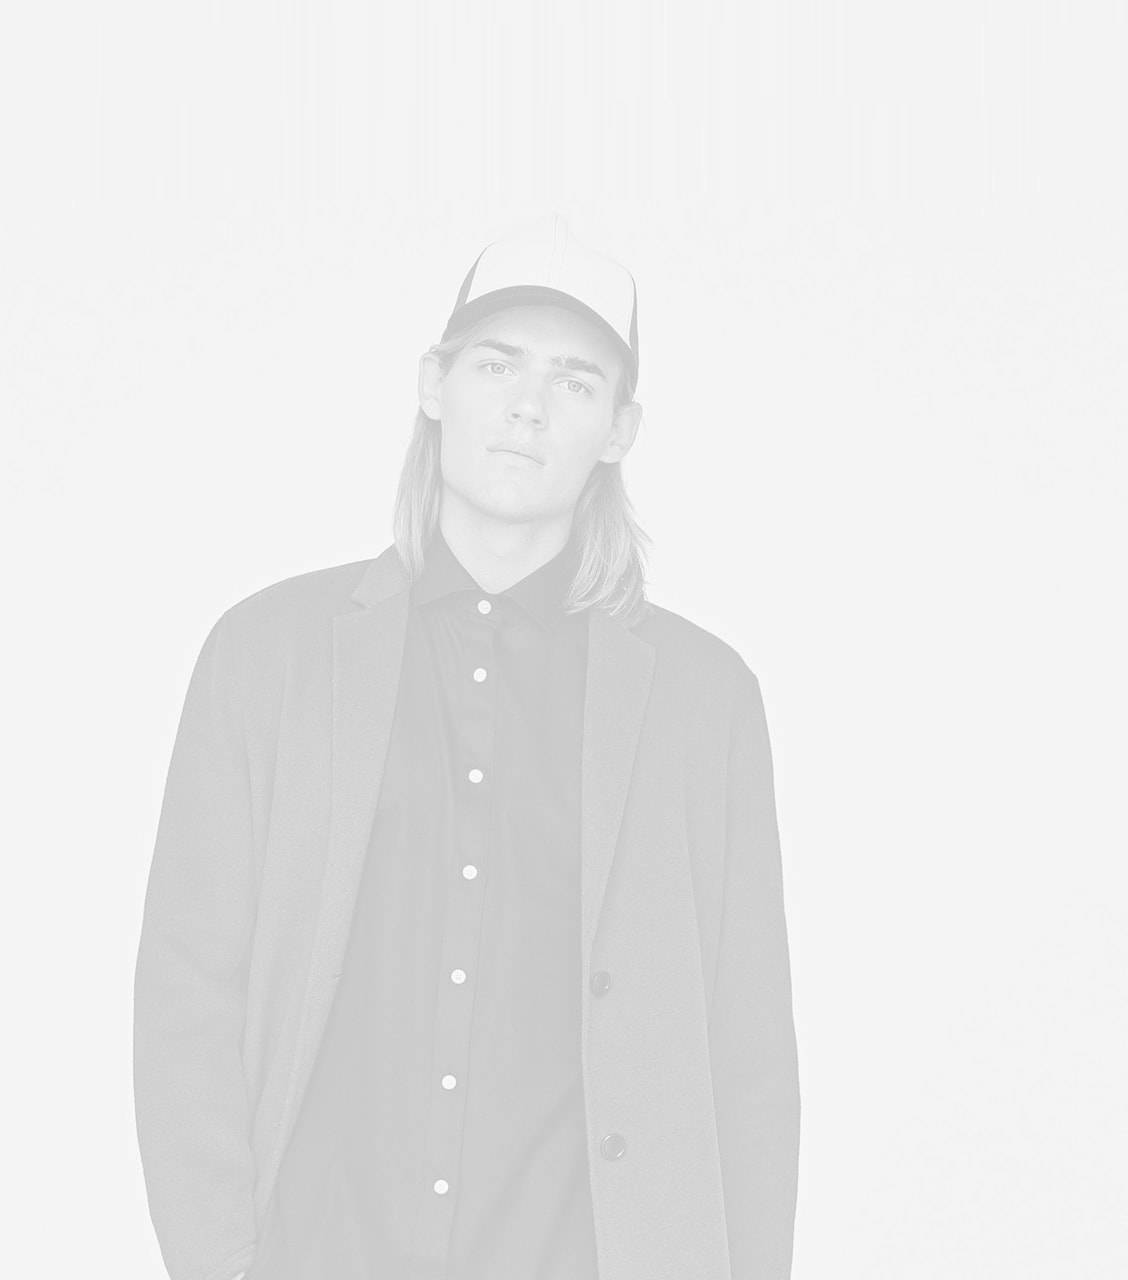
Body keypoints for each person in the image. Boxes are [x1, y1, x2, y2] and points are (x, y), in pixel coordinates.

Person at [133, 215, 801, 1280]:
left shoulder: (702, 700)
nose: (530, 405)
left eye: (575, 381)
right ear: (433, 384)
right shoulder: (266, 656)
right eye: (497, 364)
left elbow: (749, 1051)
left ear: (620, 429)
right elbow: (187, 995)